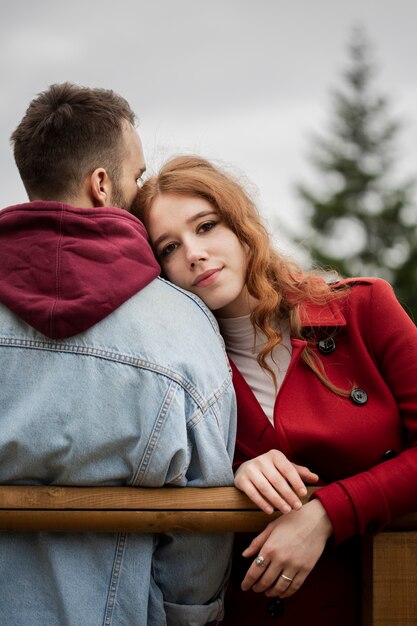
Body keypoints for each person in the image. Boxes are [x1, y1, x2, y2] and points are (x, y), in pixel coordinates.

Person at [135, 154, 417, 625]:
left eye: (206, 226)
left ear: (242, 226)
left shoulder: (364, 309)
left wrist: (326, 513)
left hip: (385, 600)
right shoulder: (170, 370)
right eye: (168, 247)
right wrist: (235, 470)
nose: (193, 253)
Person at [0, 86, 237, 626]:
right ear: (102, 184)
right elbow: (203, 527)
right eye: (136, 175)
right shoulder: (181, 324)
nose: (139, 189)